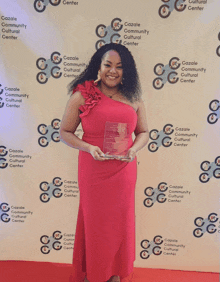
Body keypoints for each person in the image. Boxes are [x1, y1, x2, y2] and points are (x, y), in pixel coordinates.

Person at [60, 43, 149, 282]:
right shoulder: (81, 95)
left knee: (120, 223)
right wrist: (88, 147)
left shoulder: (134, 96)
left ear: (126, 70)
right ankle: (95, 272)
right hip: (93, 171)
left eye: (119, 67)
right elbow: (65, 132)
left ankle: (115, 272)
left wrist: (133, 150)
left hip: (124, 170)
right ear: (98, 66)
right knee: (96, 223)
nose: (113, 71)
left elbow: (143, 133)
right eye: (108, 65)